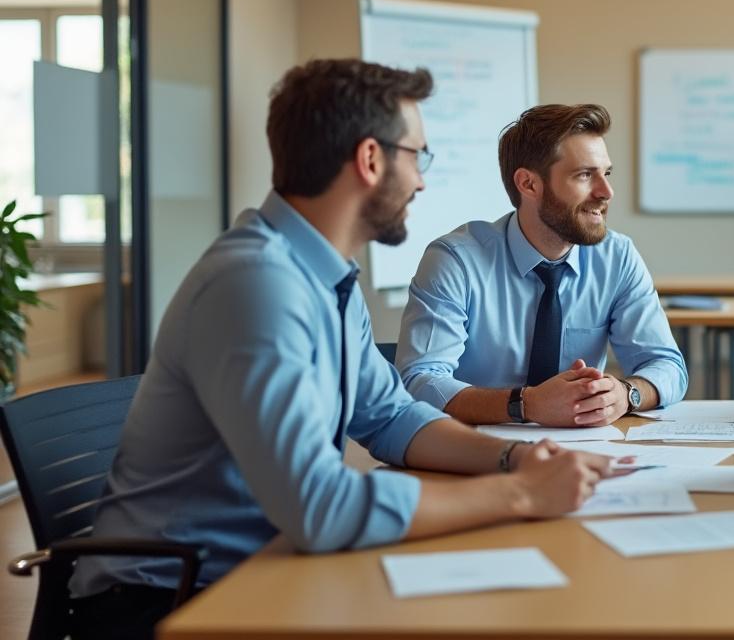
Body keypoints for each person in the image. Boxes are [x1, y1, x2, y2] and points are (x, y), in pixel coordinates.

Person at [68, 60, 618, 639]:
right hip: (173, 600)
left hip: (264, 564)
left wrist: (517, 458)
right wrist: (519, 494)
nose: (422, 181)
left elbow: (391, 417)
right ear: (371, 159)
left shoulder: (322, 276)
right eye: (418, 157)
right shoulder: (255, 284)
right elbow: (319, 509)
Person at [397, 103, 687, 426]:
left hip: (585, 451)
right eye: (585, 175)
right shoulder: (455, 261)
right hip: (477, 453)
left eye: (606, 173)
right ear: (529, 184)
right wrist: (527, 405)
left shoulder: (617, 257)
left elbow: (668, 366)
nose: (606, 192)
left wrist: (625, 393)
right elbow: (420, 382)